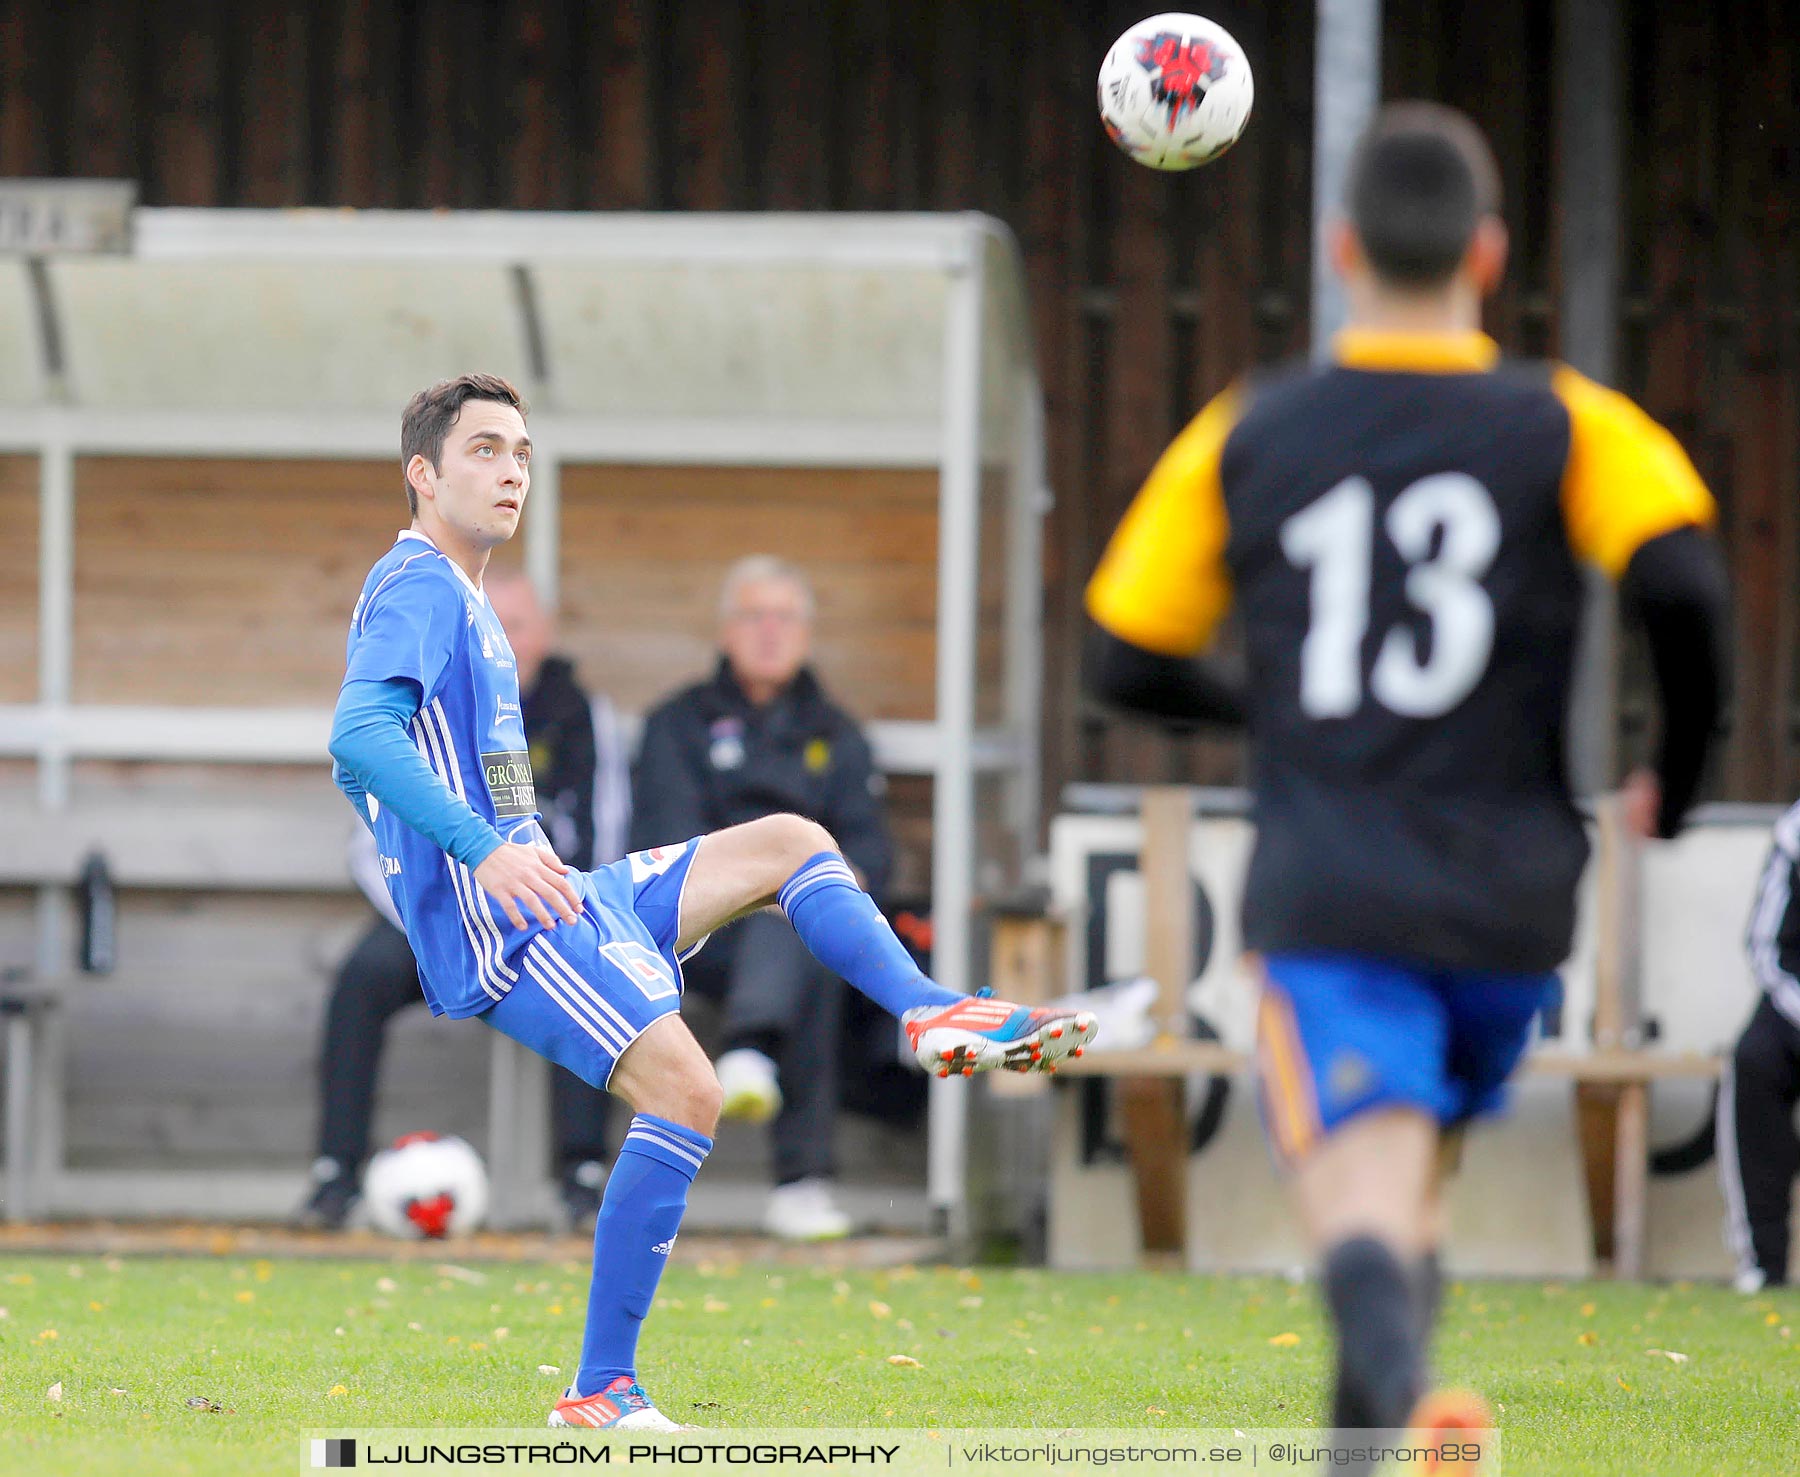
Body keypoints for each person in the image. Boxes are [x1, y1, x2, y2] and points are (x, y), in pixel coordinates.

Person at [1084, 103, 1729, 1458]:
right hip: (1510, 898)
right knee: (1410, 1200)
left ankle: (1418, 1405)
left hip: (1336, 887)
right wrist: (1678, 769)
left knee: (1365, 1207)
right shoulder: (1569, 420)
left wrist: (1265, 710)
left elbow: (1123, 657)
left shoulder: (1253, 428)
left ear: (1338, 249)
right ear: (1487, 255)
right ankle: (1363, 1439)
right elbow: (1681, 580)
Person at [327, 373, 1094, 1430]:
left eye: (522, 452)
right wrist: (475, 857)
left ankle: (928, 1010)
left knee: (792, 841)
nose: (511, 472)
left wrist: (499, 844)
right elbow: (358, 738)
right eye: (484, 451)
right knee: (686, 1091)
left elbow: (404, 776)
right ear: (423, 473)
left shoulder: (470, 601)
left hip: (559, 890)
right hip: (508, 921)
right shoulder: (417, 583)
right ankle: (601, 1389)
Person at [301, 572, 631, 1232]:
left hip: (540, 908)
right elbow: (369, 837)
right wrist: (434, 915)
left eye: (519, 623)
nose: (505, 638)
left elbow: (606, 825)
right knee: (361, 977)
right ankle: (333, 1174)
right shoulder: (425, 700)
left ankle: (584, 1176)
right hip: (429, 911)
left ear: (546, 635)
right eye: (491, 622)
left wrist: (551, 898)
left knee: (596, 977)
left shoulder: (582, 715)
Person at [631, 556, 889, 1241]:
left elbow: (871, 850)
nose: (770, 632)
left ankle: (756, 1057)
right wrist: (752, 892)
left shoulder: (838, 735)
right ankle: (799, 1175)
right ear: (725, 631)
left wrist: (814, 893)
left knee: (806, 929)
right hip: (695, 932)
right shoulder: (677, 724)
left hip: (797, 931)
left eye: (785, 617)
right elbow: (663, 845)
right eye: (754, 615)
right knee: (794, 923)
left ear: (806, 633)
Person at [1719, 798, 1800, 1293]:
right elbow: (1765, 944)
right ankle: (1762, 1262)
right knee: (1754, 1063)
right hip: (1793, 1001)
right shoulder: (1797, 827)